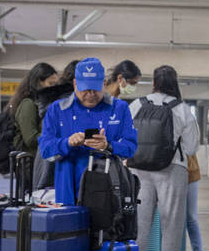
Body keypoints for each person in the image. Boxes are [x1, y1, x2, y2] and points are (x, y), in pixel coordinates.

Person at [129, 65, 199, 251]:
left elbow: (124, 137)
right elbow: (190, 148)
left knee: (139, 226)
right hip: (172, 170)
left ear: (153, 83)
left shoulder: (137, 104)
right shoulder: (181, 109)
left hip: (139, 170)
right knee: (171, 226)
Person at [38, 57, 137, 206]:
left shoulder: (120, 108)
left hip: (107, 188)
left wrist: (108, 146)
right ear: (75, 84)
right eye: (85, 89)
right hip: (68, 188)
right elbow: (46, 150)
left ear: (104, 84)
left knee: (106, 227)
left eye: (95, 89)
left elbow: (131, 147)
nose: (90, 94)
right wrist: (67, 143)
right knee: (70, 227)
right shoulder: (57, 109)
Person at [10, 62, 58, 157]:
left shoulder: (46, 104)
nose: (54, 88)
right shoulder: (28, 104)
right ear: (39, 82)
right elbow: (31, 140)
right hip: (32, 163)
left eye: (56, 84)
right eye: (51, 83)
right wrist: (55, 136)